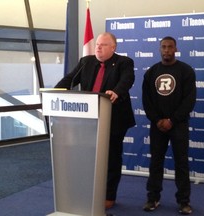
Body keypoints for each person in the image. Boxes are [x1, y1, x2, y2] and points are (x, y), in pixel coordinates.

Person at [55, 32, 136, 209]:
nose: (98, 47)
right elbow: (70, 78)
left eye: (103, 45)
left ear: (113, 48)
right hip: (88, 119)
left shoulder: (124, 62)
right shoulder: (86, 62)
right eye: (97, 44)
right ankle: (87, 192)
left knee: (111, 159)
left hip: (114, 120)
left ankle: (108, 195)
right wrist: (55, 91)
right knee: (88, 158)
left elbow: (127, 80)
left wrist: (116, 91)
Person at [142, 36, 196, 215]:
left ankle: (183, 202)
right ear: (159, 49)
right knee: (155, 162)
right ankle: (153, 198)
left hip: (178, 125)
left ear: (176, 49)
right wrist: (158, 120)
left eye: (170, 47)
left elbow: (189, 100)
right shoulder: (151, 73)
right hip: (157, 126)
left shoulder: (186, 71)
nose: (166, 50)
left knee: (181, 163)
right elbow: (147, 101)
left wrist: (172, 120)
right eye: (163, 47)